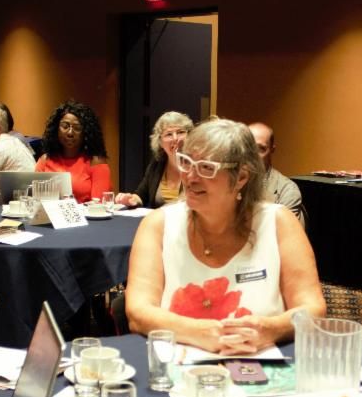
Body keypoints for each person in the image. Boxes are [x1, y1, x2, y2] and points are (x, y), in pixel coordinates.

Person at [126, 118, 325, 353]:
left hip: (259, 363)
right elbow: (138, 312)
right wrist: (199, 332)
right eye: (186, 163)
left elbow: (313, 309)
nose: (190, 177)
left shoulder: (279, 223)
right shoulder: (158, 224)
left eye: (206, 168)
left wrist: (270, 328)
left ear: (241, 177)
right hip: (178, 368)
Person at [35, 100, 111, 204]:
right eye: (65, 126)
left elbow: (100, 205)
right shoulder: (45, 159)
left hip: (86, 219)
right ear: (56, 129)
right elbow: (34, 200)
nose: (70, 133)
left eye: (77, 128)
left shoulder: (96, 161)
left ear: (85, 132)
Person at [115, 111, 194, 208]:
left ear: (190, 136)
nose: (175, 138)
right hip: (158, 222)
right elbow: (141, 195)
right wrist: (130, 199)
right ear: (160, 142)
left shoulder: (196, 165)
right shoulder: (157, 164)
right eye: (169, 134)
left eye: (181, 132)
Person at [248, 122, 306, 225]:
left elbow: (285, 236)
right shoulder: (229, 180)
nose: (252, 154)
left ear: (272, 150)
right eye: (247, 147)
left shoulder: (287, 190)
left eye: (260, 148)